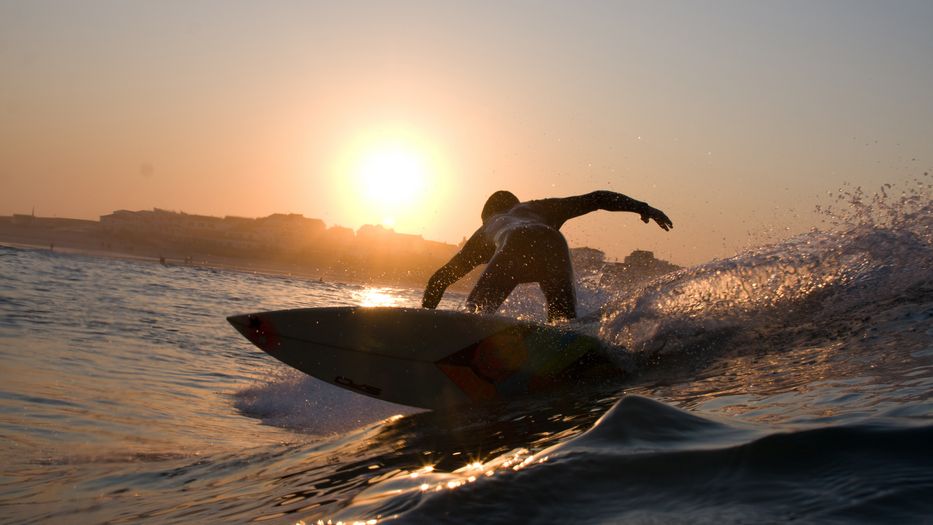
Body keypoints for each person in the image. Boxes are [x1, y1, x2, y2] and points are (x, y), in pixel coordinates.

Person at [422, 190, 673, 322]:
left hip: (515, 243)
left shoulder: (484, 231)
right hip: (554, 244)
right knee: (564, 327)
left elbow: (439, 280)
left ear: (487, 214)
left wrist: (423, 320)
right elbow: (596, 198)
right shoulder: (536, 207)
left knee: (475, 317)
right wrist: (642, 207)